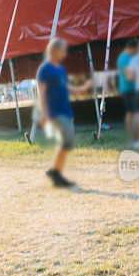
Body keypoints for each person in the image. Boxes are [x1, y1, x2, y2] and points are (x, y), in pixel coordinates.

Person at [36, 38, 89, 187]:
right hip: (55, 112)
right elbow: (41, 92)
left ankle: (55, 171)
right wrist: (44, 113)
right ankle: (56, 174)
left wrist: (81, 89)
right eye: (63, 50)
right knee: (66, 141)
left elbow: (66, 88)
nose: (65, 53)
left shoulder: (60, 69)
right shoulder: (44, 70)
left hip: (66, 110)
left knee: (67, 142)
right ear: (54, 50)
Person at [117, 39, 138, 143]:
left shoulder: (130, 57)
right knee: (130, 112)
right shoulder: (123, 58)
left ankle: (135, 136)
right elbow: (129, 76)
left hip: (132, 89)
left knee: (135, 112)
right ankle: (131, 137)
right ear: (132, 48)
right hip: (127, 89)